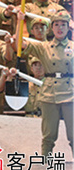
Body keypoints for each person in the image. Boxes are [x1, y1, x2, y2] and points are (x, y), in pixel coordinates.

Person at [11, 10, 73, 157]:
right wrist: (20, 21)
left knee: (73, 133)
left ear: (68, 27)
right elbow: (19, 43)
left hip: (70, 91)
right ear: (51, 28)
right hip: (50, 92)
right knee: (48, 134)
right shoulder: (43, 46)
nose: (60, 28)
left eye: (63, 24)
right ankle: (45, 160)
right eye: (56, 24)